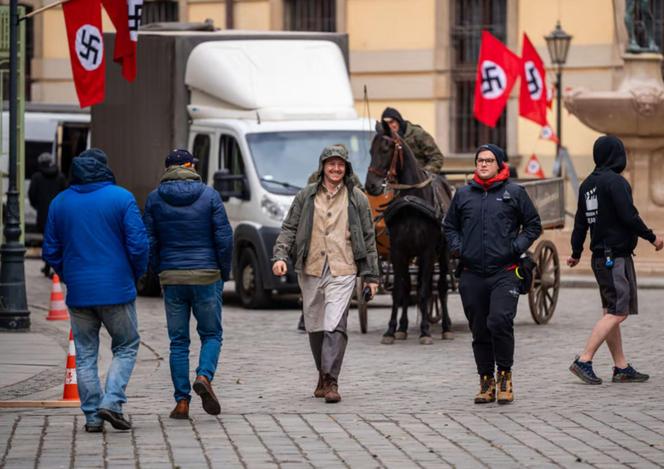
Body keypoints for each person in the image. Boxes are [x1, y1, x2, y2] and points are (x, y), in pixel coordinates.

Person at [42, 148, 149, 433]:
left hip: (79, 292)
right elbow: (139, 245)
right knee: (126, 346)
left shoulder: (60, 202)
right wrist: (134, 274)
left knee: (86, 354)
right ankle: (112, 402)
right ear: (105, 168)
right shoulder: (121, 198)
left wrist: (70, 275)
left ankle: (92, 416)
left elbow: (50, 250)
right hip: (117, 289)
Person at [272, 144, 379, 403]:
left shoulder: (357, 197)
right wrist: (280, 256)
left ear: (346, 168)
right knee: (315, 325)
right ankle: (322, 373)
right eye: (331, 164)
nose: (336, 168)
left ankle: (331, 381)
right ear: (322, 167)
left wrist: (372, 277)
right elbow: (289, 227)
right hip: (311, 268)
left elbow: (368, 236)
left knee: (335, 324)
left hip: (344, 267)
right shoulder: (306, 195)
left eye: (340, 164)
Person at [444, 144, 541, 405]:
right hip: (472, 273)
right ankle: (486, 381)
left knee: (499, 322)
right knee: (479, 330)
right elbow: (449, 226)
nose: (483, 164)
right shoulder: (463, 194)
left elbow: (533, 225)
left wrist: (516, 247)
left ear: (499, 164)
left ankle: (505, 376)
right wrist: (458, 248)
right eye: (480, 160)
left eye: (489, 160)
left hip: (505, 272)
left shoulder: (514, 192)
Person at [143, 149, 233, 419]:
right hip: (207, 275)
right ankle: (204, 376)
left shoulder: (155, 198)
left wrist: (160, 270)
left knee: (178, 342)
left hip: (172, 277)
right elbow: (224, 238)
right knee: (211, 335)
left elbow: (149, 241)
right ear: (190, 166)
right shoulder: (209, 195)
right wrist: (223, 272)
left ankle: (182, 402)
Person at [568, 135, 663, 384]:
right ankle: (584, 359)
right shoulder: (616, 182)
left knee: (610, 311)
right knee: (618, 313)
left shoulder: (587, 184)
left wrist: (576, 253)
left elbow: (580, 223)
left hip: (600, 257)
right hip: (615, 258)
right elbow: (629, 215)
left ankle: (620, 366)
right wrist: (652, 237)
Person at [28, 152, 67, 277]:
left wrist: (38, 206)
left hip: (44, 215)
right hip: (59, 214)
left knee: (47, 240)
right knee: (58, 240)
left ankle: (47, 266)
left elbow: (32, 195)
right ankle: (52, 267)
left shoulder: (36, 177)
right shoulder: (60, 177)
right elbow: (65, 195)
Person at [380, 107, 444, 173]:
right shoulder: (387, 139)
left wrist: (425, 173)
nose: (390, 126)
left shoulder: (418, 134)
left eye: (392, 122)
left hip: (422, 178)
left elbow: (437, 157)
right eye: (387, 124)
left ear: (398, 120)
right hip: (398, 179)